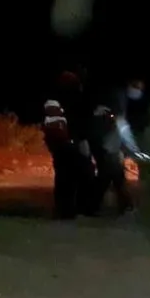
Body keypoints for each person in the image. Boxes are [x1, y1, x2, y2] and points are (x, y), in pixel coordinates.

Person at [88, 79, 146, 215]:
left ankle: (95, 207)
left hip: (107, 142)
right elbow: (118, 123)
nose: (139, 92)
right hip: (108, 143)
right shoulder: (119, 98)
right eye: (138, 88)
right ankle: (123, 207)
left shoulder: (119, 97)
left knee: (110, 176)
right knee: (111, 176)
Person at [42, 70, 96, 219]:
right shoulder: (75, 99)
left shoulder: (55, 100)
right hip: (70, 143)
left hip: (60, 144)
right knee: (83, 174)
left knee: (64, 177)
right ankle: (80, 209)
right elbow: (79, 122)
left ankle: (65, 210)